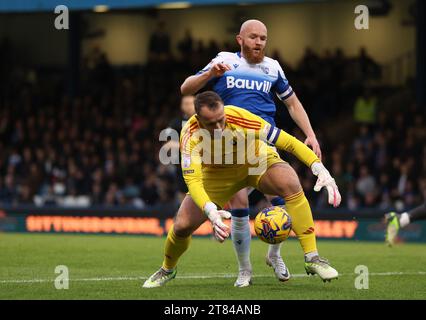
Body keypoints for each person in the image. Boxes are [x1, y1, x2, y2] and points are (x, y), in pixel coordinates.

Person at [143, 91, 341, 288]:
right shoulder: (189, 134)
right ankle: (167, 269)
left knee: (290, 182)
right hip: (218, 175)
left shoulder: (240, 117)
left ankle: (312, 257)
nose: (219, 127)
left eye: (221, 119)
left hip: (255, 161)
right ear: (198, 120)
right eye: (212, 124)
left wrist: (319, 168)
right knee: (182, 225)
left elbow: (287, 142)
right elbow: (193, 181)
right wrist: (210, 210)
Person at [180, 19, 322, 286]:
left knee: (281, 197)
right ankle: (245, 270)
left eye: (263, 38)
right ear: (240, 40)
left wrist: (310, 134)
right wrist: (210, 75)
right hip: (229, 146)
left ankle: (274, 254)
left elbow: (292, 104)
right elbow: (186, 89)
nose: (259, 42)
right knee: (240, 204)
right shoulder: (224, 61)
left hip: (263, 141)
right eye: (254, 37)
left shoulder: (273, 68)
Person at [163, 95, 196, 202]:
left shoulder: (204, 121)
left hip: (201, 166)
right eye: (186, 104)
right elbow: (167, 143)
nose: (189, 106)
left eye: (191, 103)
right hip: (182, 167)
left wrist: (179, 144)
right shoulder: (176, 123)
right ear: (182, 106)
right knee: (183, 197)